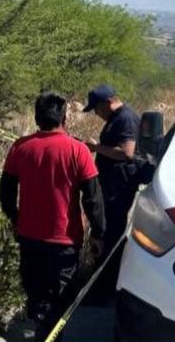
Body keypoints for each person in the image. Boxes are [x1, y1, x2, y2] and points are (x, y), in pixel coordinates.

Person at [0, 91, 105, 342]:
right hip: (65, 242)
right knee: (60, 300)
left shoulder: (20, 148)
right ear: (64, 118)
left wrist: (16, 219)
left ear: (37, 117)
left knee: (37, 296)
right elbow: (92, 198)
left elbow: (5, 192)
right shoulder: (78, 151)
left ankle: (42, 333)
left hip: (29, 237)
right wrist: (98, 235)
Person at [82, 84, 140, 299]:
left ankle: (106, 291)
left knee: (111, 233)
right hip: (111, 186)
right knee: (107, 233)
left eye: (96, 109)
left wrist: (96, 148)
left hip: (119, 189)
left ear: (107, 102)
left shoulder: (125, 118)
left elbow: (127, 153)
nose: (96, 114)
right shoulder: (116, 118)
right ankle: (103, 285)